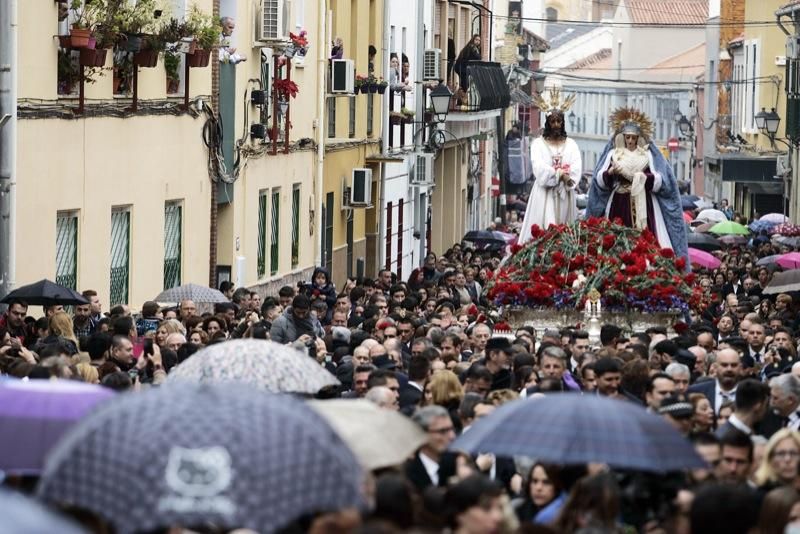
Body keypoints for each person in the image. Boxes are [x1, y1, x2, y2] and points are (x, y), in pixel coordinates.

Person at [587, 107, 688, 263]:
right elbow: (600, 180)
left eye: (633, 138)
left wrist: (643, 178)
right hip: (619, 201)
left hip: (644, 202)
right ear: (623, 137)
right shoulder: (614, 154)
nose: (630, 141)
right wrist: (611, 172)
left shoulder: (647, 155)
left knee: (645, 237)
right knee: (616, 236)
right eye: (627, 137)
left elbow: (660, 180)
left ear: (638, 138)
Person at [518, 89, 581, 243]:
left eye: (559, 121)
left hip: (565, 194)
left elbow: (576, 166)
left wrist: (568, 177)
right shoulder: (538, 144)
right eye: (552, 121)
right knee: (543, 230)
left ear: (563, 122)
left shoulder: (571, 144)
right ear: (547, 123)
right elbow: (538, 168)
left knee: (566, 232)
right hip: (544, 193)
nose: (556, 125)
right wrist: (559, 174)